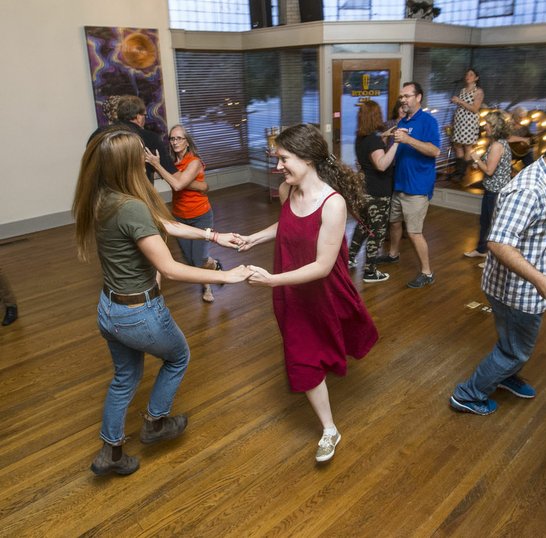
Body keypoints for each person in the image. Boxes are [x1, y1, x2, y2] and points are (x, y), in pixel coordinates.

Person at [72, 128, 252, 476]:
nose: (149, 157)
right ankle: (155, 424)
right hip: (139, 313)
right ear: (127, 164)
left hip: (109, 310)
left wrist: (212, 235)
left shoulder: (104, 197)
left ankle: (111, 452)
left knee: (125, 377)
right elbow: (169, 269)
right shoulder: (132, 207)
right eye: (140, 154)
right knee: (179, 356)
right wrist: (226, 276)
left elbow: (164, 225)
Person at [235, 124, 378, 463]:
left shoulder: (333, 204)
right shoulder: (288, 190)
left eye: (284, 159)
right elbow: (287, 224)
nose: (278, 167)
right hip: (291, 290)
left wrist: (272, 280)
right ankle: (326, 419)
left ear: (308, 158)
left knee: (327, 341)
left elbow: (323, 267)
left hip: (323, 291)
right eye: (278, 159)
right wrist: (254, 238)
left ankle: (326, 410)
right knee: (301, 350)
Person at [450, 127, 546, 415]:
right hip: (518, 292)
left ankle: (504, 376)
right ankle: (468, 395)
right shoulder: (530, 189)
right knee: (515, 350)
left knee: (511, 343)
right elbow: (498, 242)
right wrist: (540, 279)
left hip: (527, 290)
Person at [376, 81, 441, 289]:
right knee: (394, 222)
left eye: (407, 96)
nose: (403, 99)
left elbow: (434, 151)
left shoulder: (428, 121)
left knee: (414, 232)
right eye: (401, 96)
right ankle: (393, 254)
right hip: (400, 183)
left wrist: (408, 139)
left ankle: (427, 272)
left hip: (417, 186)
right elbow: (397, 145)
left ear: (418, 97)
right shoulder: (404, 121)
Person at [146, 125, 222, 302]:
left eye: (179, 138)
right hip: (179, 216)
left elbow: (178, 185)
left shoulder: (194, 161)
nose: (175, 142)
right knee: (190, 259)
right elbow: (169, 178)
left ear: (187, 141)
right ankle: (215, 264)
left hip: (201, 215)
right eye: (172, 139)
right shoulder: (171, 164)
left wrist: (158, 165)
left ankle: (207, 286)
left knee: (199, 258)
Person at [347, 100, 399, 283]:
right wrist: (396, 144)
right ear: (376, 116)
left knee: (363, 226)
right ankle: (370, 271)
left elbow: (372, 152)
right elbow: (381, 164)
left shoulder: (361, 138)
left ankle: (350, 257)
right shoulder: (373, 141)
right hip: (377, 192)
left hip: (364, 189)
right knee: (376, 231)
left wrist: (384, 137)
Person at [463, 110, 513, 260]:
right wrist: (478, 162)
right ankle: (481, 250)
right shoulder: (495, 144)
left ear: (495, 127)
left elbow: (490, 171)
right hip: (491, 189)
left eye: (488, 124)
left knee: (493, 225)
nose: (485, 127)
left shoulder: (497, 145)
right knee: (485, 222)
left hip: (497, 192)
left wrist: (477, 159)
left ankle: (492, 259)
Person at [449, 68, 484, 182]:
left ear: (476, 78)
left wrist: (460, 101)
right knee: (457, 145)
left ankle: (462, 172)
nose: (468, 76)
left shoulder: (478, 91)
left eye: (471, 74)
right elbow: (460, 107)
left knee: (467, 147)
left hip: (469, 122)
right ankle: (458, 170)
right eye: (467, 74)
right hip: (459, 121)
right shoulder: (462, 90)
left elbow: (474, 109)